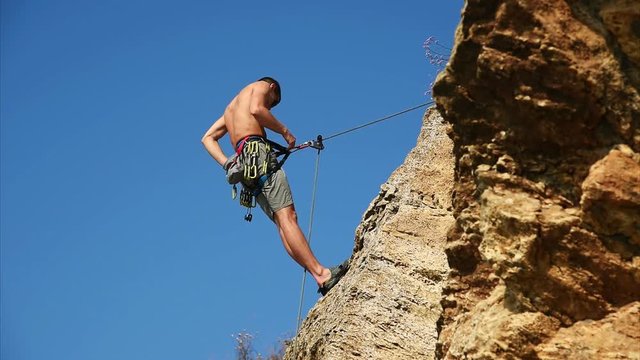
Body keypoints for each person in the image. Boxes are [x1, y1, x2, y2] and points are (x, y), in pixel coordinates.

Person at [201, 77, 348, 295]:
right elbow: (257, 109)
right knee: (289, 217)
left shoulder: (230, 110)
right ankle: (322, 274)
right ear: (272, 87)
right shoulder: (258, 87)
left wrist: (227, 163)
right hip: (257, 155)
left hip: (244, 167)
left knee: (282, 221)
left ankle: (318, 275)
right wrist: (285, 131)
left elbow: (207, 138)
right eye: (273, 101)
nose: (270, 106)